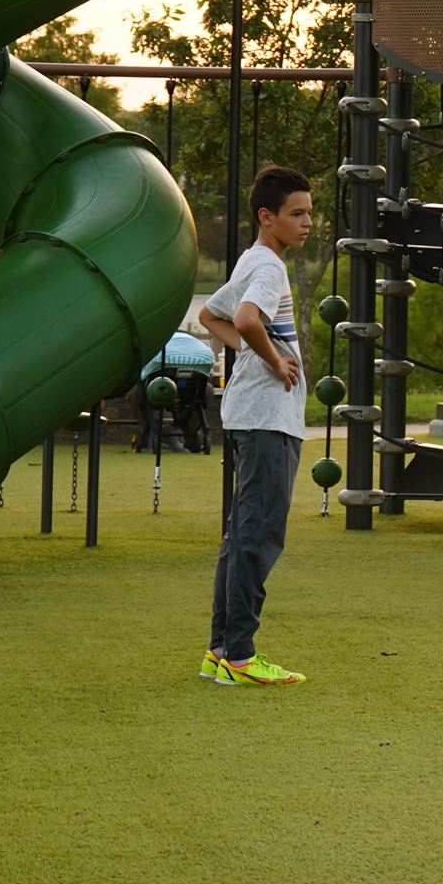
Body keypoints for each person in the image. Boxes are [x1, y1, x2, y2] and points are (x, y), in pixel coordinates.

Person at [195, 165, 314, 689]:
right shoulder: (269, 268)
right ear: (267, 217)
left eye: (310, 212)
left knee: (240, 535)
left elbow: (211, 317)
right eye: (297, 213)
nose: (308, 222)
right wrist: (271, 359)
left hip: (253, 416)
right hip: (267, 419)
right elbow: (243, 319)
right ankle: (240, 656)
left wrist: (251, 352)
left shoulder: (252, 258)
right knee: (258, 536)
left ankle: (220, 652)